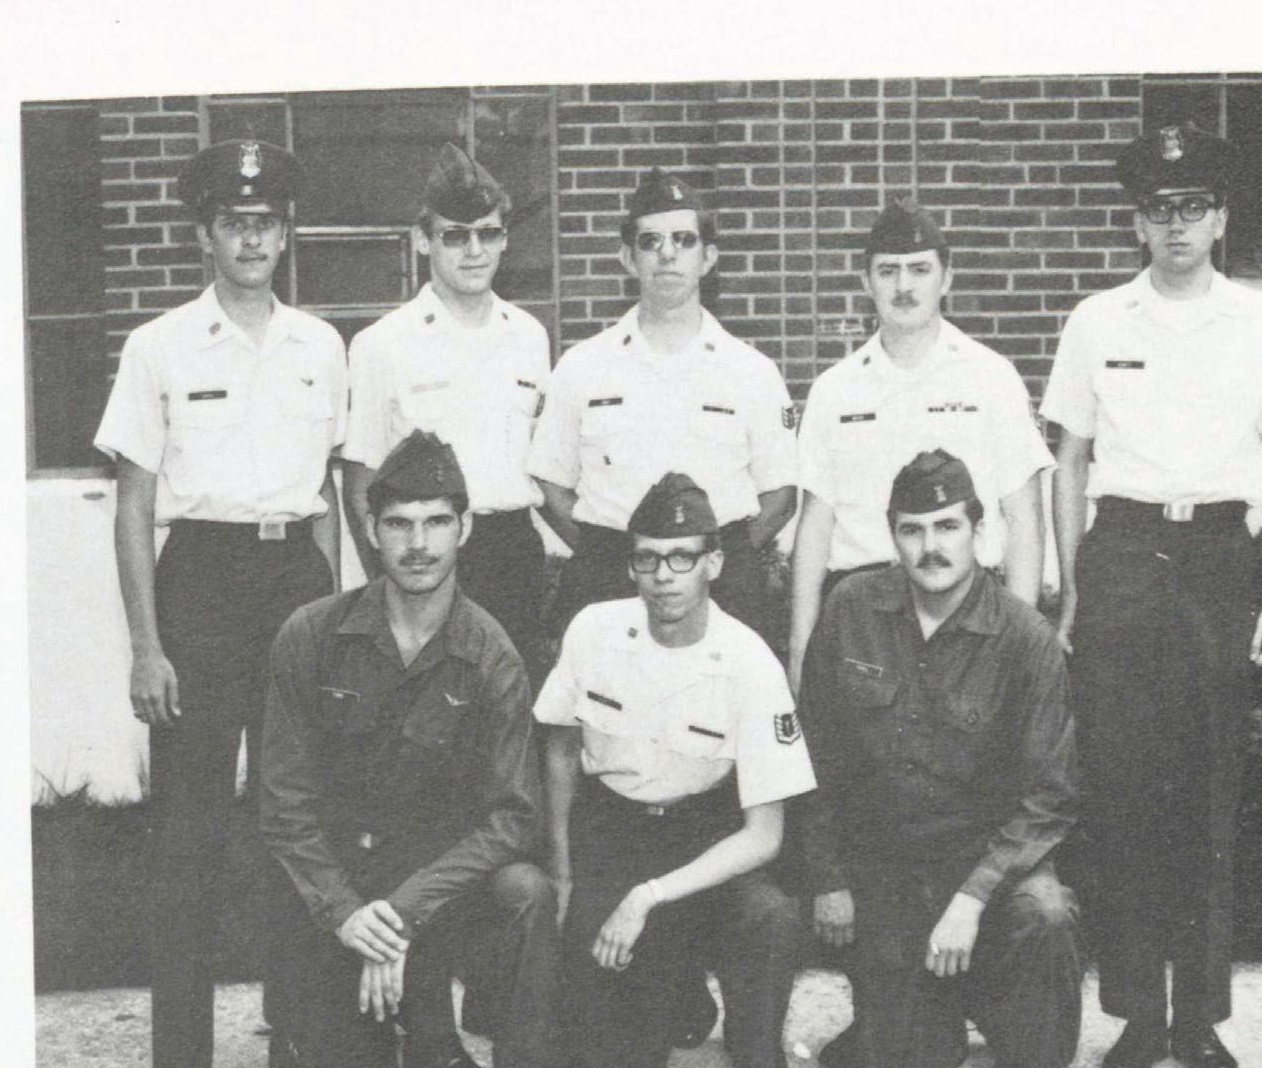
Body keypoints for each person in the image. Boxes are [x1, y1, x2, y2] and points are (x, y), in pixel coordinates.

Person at [1045, 119, 1262, 1068]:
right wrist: (1071, 586)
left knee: (1204, 801)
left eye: (1194, 207)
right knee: (1122, 799)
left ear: (1221, 219)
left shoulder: (1260, 323)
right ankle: (1136, 1018)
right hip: (1122, 554)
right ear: (1136, 223)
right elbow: (1069, 460)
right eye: (1159, 209)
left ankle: (1197, 1021)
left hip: (1216, 562)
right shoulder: (1097, 321)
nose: (1177, 225)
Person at [93, 138, 345, 1068]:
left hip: (297, 583)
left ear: (286, 234)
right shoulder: (159, 346)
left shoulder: (320, 345)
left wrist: (339, 619)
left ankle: (302, 1025)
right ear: (205, 233)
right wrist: (146, 646)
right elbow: (133, 505)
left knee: (302, 821)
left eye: (267, 222)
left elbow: (329, 496)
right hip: (199, 581)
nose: (251, 239)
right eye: (234, 223)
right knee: (189, 839)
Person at [258, 430, 558, 1068]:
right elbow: (283, 803)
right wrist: (346, 913)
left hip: (443, 887)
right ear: (370, 530)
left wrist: (402, 911)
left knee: (526, 892)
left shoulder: (491, 655)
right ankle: (358, 1035)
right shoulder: (312, 635)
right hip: (346, 886)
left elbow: (512, 816)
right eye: (398, 523)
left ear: (465, 528)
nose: (417, 544)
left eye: (435, 522)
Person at [799, 452, 1084, 1068]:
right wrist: (829, 877)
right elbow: (813, 756)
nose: (931, 547)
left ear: (978, 531)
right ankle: (929, 1023)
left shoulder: (1024, 638)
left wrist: (974, 895)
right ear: (891, 535)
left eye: (947, 526)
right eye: (912, 529)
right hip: (889, 870)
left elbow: (1049, 793)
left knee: (1046, 913)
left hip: (988, 865)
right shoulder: (851, 609)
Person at [531, 471, 812, 1068]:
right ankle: (674, 992)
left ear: (714, 563)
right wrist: (564, 873)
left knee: (768, 918)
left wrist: (648, 897)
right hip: (614, 832)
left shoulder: (749, 661)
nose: (662, 577)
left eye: (682, 558)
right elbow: (561, 748)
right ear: (630, 564)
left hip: (705, 838)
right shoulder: (594, 629)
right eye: (647, 558)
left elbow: (764, 835)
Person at [529, 168, 795, 644]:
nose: (667, 253)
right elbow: (550, 481)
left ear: (708, 257)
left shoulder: (751, 371)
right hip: (608, 581)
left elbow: (780, 495)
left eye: (683, 240)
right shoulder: (583, 366)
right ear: (628, 258)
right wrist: (609, 555)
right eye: (650, 241)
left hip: (722, 586)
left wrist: (706, 561)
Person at [788, 201, 1049, 683]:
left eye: (919, 269)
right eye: (888, 271)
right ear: (866, 282)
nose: (903, 286)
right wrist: (801, 648)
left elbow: (1024, 517)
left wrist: (1020, 640)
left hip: (969, 610)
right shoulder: (834, 389)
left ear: (946, 278)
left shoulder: (991, 377)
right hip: (863, 613)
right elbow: (815, 526)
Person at [345, 142, 554, 680]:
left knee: (512, 708)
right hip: (428, 557)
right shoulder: (383, 344)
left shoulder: (529, 336)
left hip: (514, 551)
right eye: (455, 236)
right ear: (423, 241)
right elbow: (361, 479)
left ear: (505, 239)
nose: (474, 250)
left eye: (488, 233)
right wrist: (388, 583)